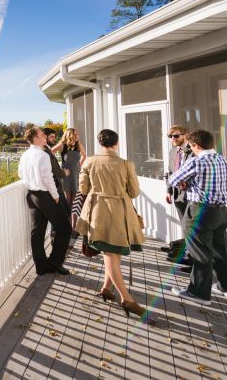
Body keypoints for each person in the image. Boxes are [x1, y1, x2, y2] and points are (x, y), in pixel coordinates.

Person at [75, 129, 146, 317]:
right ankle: (127, 299)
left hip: (98, 211)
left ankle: (107, 287)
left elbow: (82, 189)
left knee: (110, 254)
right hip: (120, 212)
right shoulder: (125, 164)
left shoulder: (89, 161)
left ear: (100, 143)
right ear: (117, 143)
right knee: (112, 254)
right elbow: (134, 192)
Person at [169, 129, 227, 305]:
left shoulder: (196, 162)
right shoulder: (224, 161)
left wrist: (188, 183)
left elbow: (174, 179)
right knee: (219, 250)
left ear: (195, 146)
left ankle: (199, 292)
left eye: (191, 146)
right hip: (222, 212)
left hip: (200, 211)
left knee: (200, 252)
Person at [18, 126, 71, 275]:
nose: (44, 137)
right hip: (46, 196)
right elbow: (47, 179)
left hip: (32, 196)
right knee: (65, 229)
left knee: (38, 232)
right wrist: (55, 195)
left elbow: (20, 173)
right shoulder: (43, 155)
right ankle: (54, 263)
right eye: (42, 135)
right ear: (35, 139)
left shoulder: (25, 154)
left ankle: (41, 267)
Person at [162, 125, 193, 268]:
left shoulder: (193, 150)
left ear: (185, 134)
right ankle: (189, 255)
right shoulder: (173, 151)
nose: (172, 139)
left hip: (192, 195)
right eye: (170, 136)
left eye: (176, 136)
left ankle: (193, 258)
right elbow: (169, 172)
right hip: (176, 195)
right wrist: (168, 190)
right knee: (185, 226)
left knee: (192, 227)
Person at [51, 127, 86, 224]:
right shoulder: (62, 145)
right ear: (70, 135)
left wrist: (79, 165)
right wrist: (58, 167)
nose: (77, 135)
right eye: (75, 134)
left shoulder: (78, 144)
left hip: (76, 174)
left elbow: (84, 155)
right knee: (67, 201)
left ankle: (74, 226)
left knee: (75, 202)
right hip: (66, 175)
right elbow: (50, 153)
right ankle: (67, 225)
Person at [42, 128, 72, 222]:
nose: (53, 139)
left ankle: (57, 232)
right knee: (63, 214)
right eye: (52, 137)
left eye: (54, 137)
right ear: (45, 136)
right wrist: (64, 173)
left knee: (65, 212)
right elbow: (53, 169)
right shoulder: (45, 150)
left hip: (57, 186)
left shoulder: (47, 149)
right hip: (54, 186)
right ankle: (57, 233)